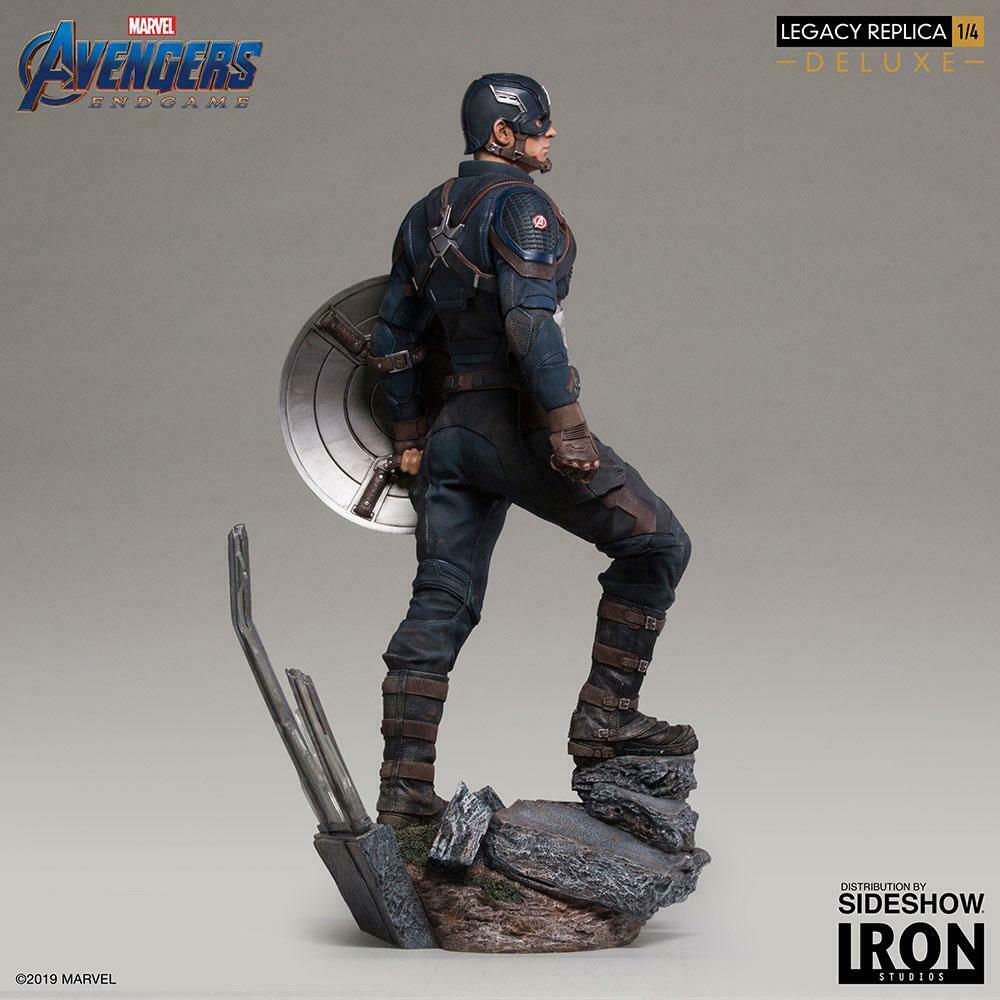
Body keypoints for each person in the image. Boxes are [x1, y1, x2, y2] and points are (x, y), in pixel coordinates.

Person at [370, 73, 696, 828]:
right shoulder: (523, 206)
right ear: (503, 134)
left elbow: (389, 335)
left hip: (451, 436)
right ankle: (605, 717)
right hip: (512, 424)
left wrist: (410, 435)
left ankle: (402, 792)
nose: (550, 137)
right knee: (658, 545)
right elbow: (527, 322)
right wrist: (567, 427)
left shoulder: (425, 213)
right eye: (541, 125)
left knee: (441, 599)